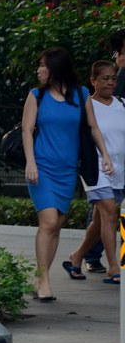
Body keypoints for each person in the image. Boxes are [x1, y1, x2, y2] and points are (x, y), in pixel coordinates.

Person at [22, 47, 112, 301]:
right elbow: (27, 130)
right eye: (39, 65)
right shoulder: (36, 95)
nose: (39, 70)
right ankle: (46, 282)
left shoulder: (81, 94)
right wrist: (31, 162)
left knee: (57, 226)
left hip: (68, 170)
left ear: (56, 68)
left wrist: (104, 154)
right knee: (48, 222)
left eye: (43, 65)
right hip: (41, 169)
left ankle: (41, 278)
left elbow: (92, 127)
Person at [65, 60, 125, 284]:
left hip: (118, 167)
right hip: (95, 167)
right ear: (93, 81)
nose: (110, 82)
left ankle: (77, 256)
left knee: (101, 219)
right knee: (109, 212)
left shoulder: (122, 104)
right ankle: (113, 267)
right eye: (105, 78)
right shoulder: (88, 105)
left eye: (113, 78)